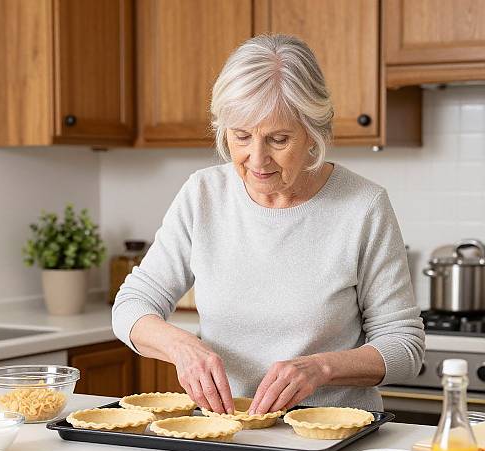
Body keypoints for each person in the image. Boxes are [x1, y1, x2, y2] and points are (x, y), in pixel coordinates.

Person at [112, 34, 425, 416]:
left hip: (331, 433)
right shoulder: (203, 194)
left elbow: (404, 346)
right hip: (228, 432)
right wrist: (182, 348)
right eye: (241, 136)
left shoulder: (363, 206)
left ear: (313, 134)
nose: (256, 159)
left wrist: (321, 369)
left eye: (278, 139)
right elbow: (131, 305)